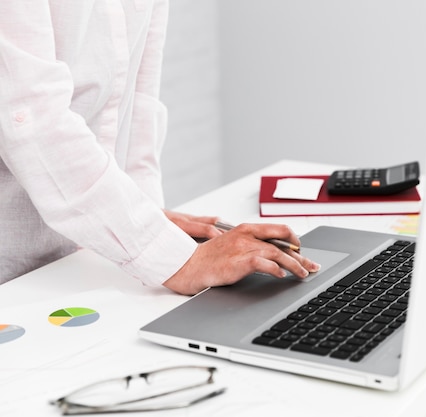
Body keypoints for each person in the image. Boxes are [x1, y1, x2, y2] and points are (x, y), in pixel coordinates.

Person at [0, 1, 319, 295]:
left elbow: (138, 99)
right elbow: (29, 118)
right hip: (12, 275)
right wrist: (172, 258)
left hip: (81, 261)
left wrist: (147, 220)